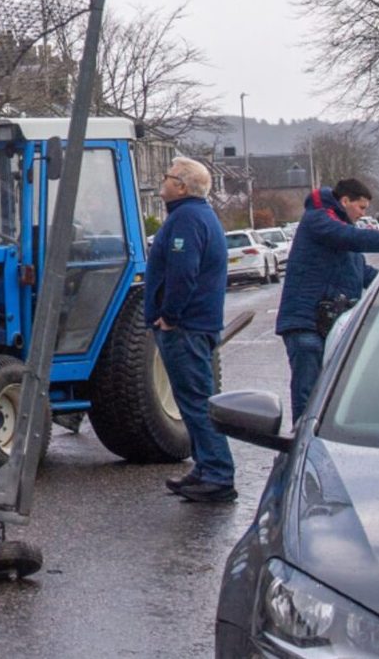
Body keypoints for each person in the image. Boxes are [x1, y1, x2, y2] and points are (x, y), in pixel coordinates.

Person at [144, 156, 235, 504]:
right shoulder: (196, 216)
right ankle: (205, 467)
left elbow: (183, 273)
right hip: (195, 324)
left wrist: (169, 315)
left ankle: (217, 474)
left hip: (186, 327)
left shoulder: (187, 220)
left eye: (166, 178)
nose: (162, 183)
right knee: (192, 400)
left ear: (181, 186)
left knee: (196, 402)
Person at [275, 178, 379, 417]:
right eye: (361, 208)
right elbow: (351, 237)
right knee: (308, 394)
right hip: (306, 325)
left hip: (331, 327)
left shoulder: (338, 231)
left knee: (331, 396)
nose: (362, 215)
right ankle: (302, 445)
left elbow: (363, 273)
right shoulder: (319, 220)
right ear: (345, 201)